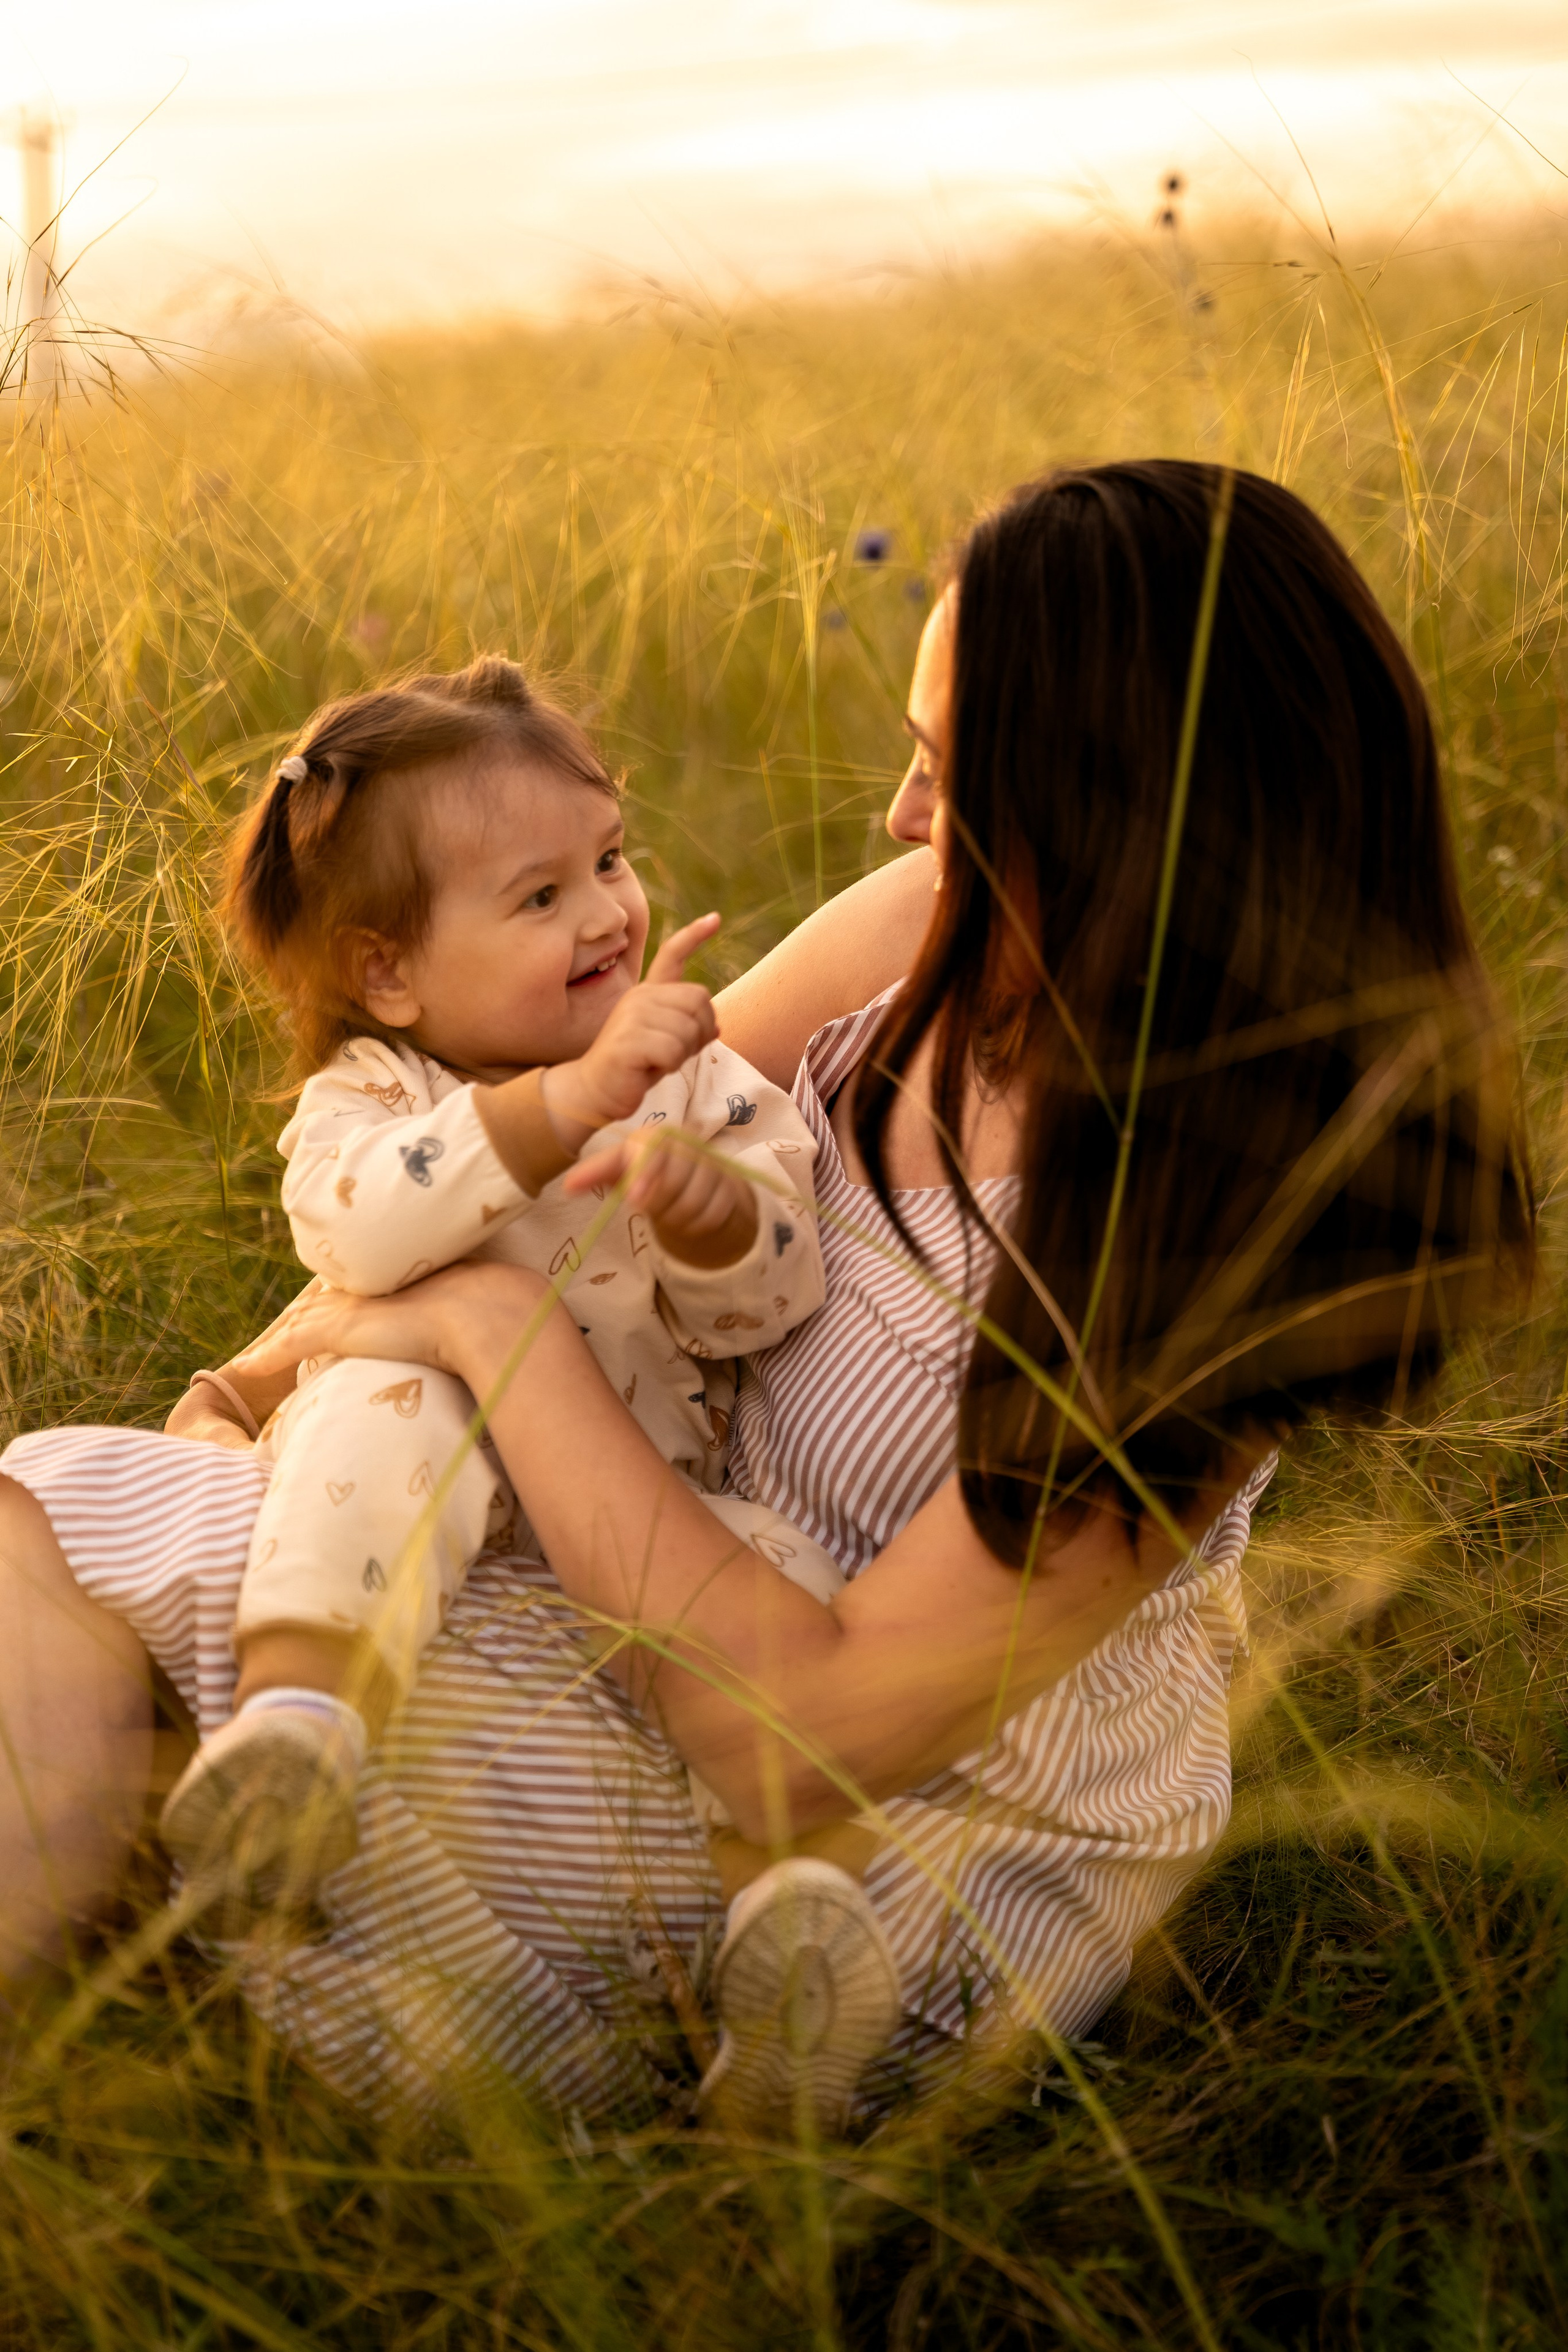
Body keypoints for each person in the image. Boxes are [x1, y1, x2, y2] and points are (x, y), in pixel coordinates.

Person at [0, 461, 1532, 2141]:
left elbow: (803, 1744)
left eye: (950, 775)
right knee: (115, 1531)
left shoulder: (1249, 1224)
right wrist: (257, 1376)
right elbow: (579, 1154)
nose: (895, 816)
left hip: (885, 1852)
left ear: (1124, 813)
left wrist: (486, 1345)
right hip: (658, 1584)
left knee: (70, 1529)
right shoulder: (922, 928)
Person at [153, 658, 844, 1955]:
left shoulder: (687, 1084)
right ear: (393, 973)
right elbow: (360, 1220)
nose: (607, 915)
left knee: (790, 1574)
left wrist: (717, 1225)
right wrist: (559, 1108)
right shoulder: (368, 1100)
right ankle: (297, 1730)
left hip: (631, 1504)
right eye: (539, 896)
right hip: (424, 1478)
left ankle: (785, 1910)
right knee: (379, 1404)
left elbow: (773, 1300)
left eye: (610, 859)